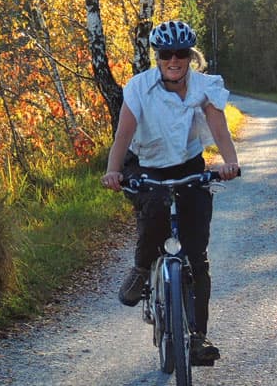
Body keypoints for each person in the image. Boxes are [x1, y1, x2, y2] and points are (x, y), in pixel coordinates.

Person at [100, 20, 240, 362]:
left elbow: (220, 131)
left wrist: (230, 164)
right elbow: (123, 134)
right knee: (155, 214)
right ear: (157, 57)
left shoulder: (204, 87)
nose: (173, 60)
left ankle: (198, 337)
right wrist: (113, 171)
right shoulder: (139, 88)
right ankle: (140, 269)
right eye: (166, 54)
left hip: (188, 165)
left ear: (190, 56)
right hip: (145, 164)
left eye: (181, 54)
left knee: (196, 254)